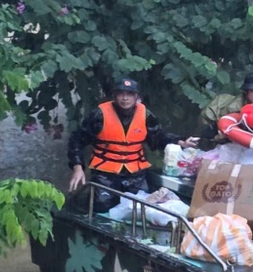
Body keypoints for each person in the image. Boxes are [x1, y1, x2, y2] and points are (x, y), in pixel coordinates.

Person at [67, 78, 198, 211]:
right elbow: (76, 140)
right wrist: (78, 167)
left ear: (137, 97)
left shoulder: (146, 115)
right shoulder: (99, 115)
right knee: (101, 206)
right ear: (115, 96)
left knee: (141, 208)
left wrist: (181, 141)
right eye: (121, 94)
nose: (125, 98)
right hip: (105, 173)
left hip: (135, 174)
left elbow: (158, 137)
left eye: (130, 94)